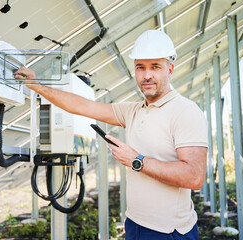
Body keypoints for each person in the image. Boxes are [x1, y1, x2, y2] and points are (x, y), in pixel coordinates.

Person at [14, 29, 208, 240]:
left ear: (170, 69)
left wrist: (137, 161)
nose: (147, 75)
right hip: (135, 223)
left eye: (155, 67)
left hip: (169, 232)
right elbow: (83, 106)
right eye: (140, 68)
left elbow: (194, 177)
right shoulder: (133, 110)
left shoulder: (185, 111)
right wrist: (38, 87)